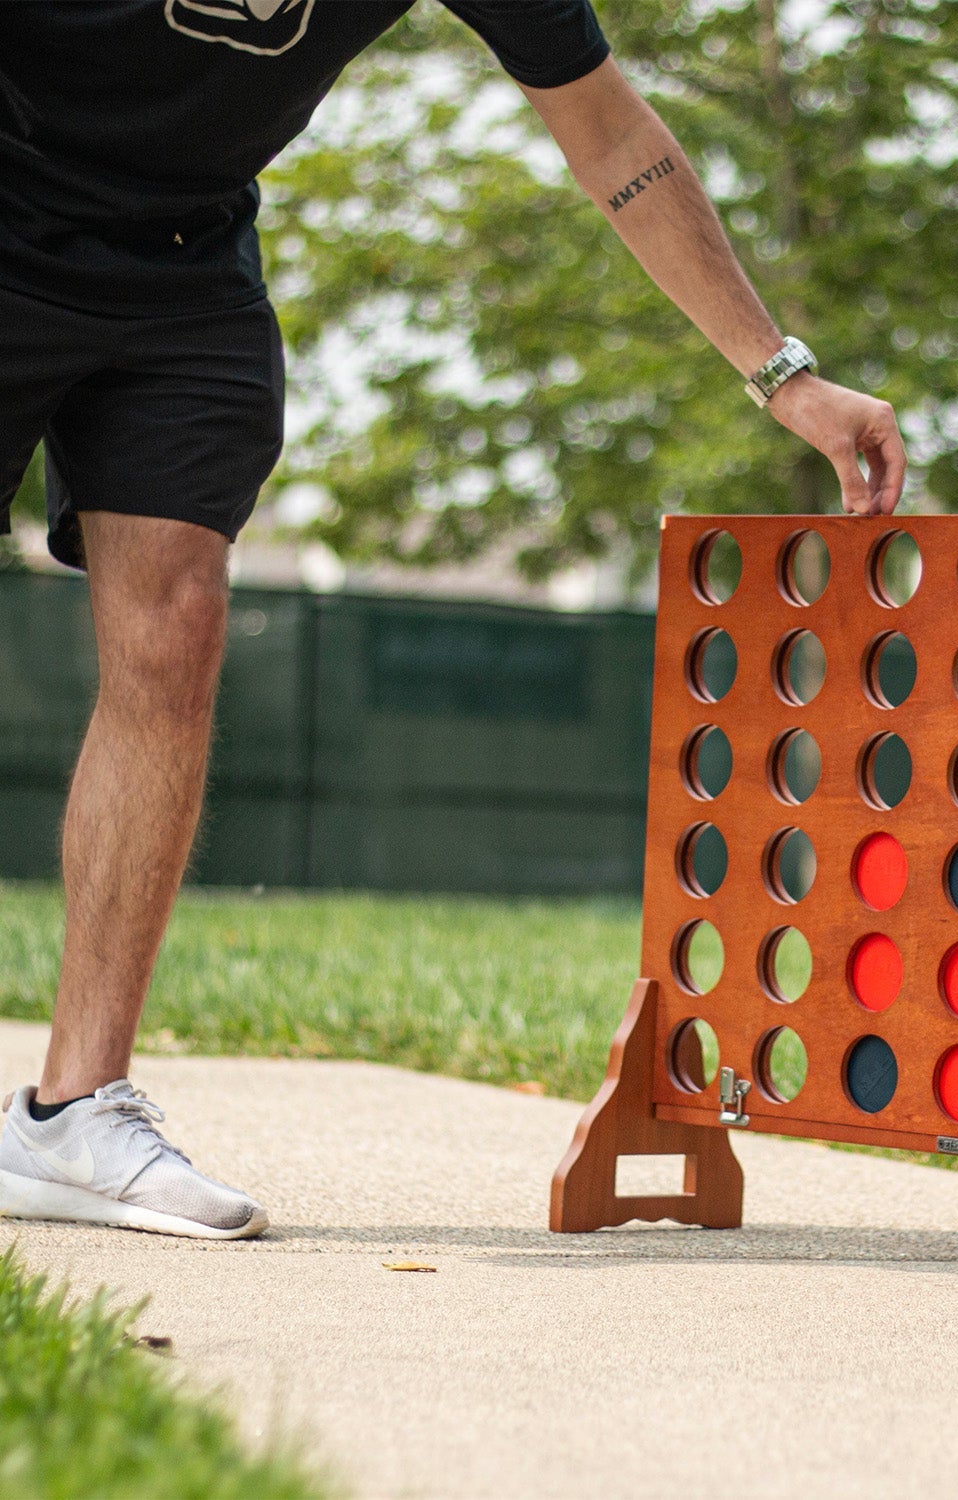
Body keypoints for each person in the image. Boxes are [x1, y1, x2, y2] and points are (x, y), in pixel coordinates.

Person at [0, 0, 906, 1240]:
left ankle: (76, 1114)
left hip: (179, 257)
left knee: (177, 622)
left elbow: (609, 136)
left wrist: (785, 378)